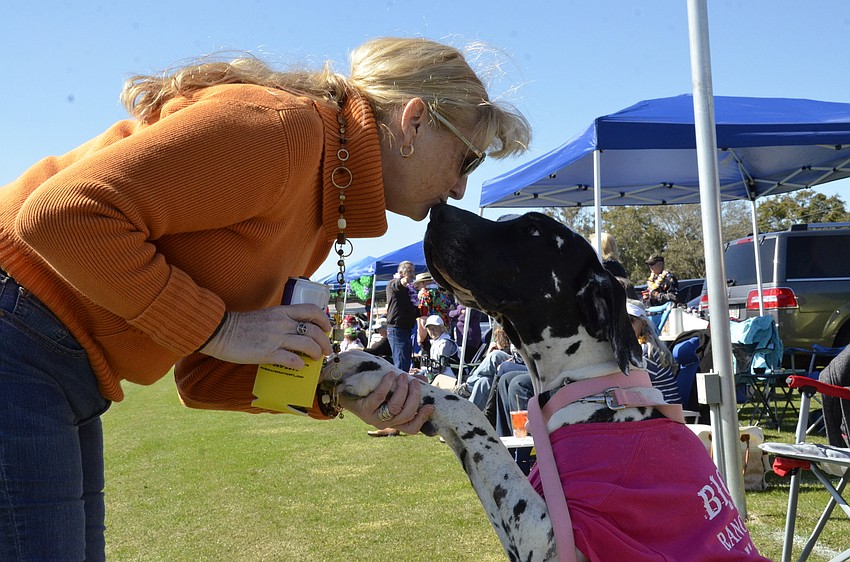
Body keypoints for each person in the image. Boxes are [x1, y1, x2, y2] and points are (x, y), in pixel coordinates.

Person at [0, 36, 531, 559]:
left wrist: (338, 387)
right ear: (412, 121)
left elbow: (204, 376)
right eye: (467, 160)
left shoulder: (323, 198)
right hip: (18, 333)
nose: (462, 189)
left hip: (60, 366)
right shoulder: (286, 132)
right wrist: (222, 329)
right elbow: (62, 214)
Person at [626, 300, 682, 404]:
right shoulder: (636, 348)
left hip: (665, 413)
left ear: (643, 323)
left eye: (630, 320)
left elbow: (628, 383)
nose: (625, 326)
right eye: (621, 321)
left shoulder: (648, 351)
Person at [453, 324, 511, 410]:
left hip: (521, 362)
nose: (495, 341)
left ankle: (468, 387)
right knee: (484, 382)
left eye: (496, 339)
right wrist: (487, 354)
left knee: (495, 355)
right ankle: (469, 415)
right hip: (509, 362)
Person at [385, 260, 419, 372]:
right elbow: (397, 285)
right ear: (401, 272)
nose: (412, 274)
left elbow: (408, 308)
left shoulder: (410, 289)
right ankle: (398, 388)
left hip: (406, 329)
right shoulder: (393, 284)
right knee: (401, 364)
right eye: (409, 271)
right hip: (397, 329)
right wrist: (403, 281)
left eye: (413, 271)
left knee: (405, 362)